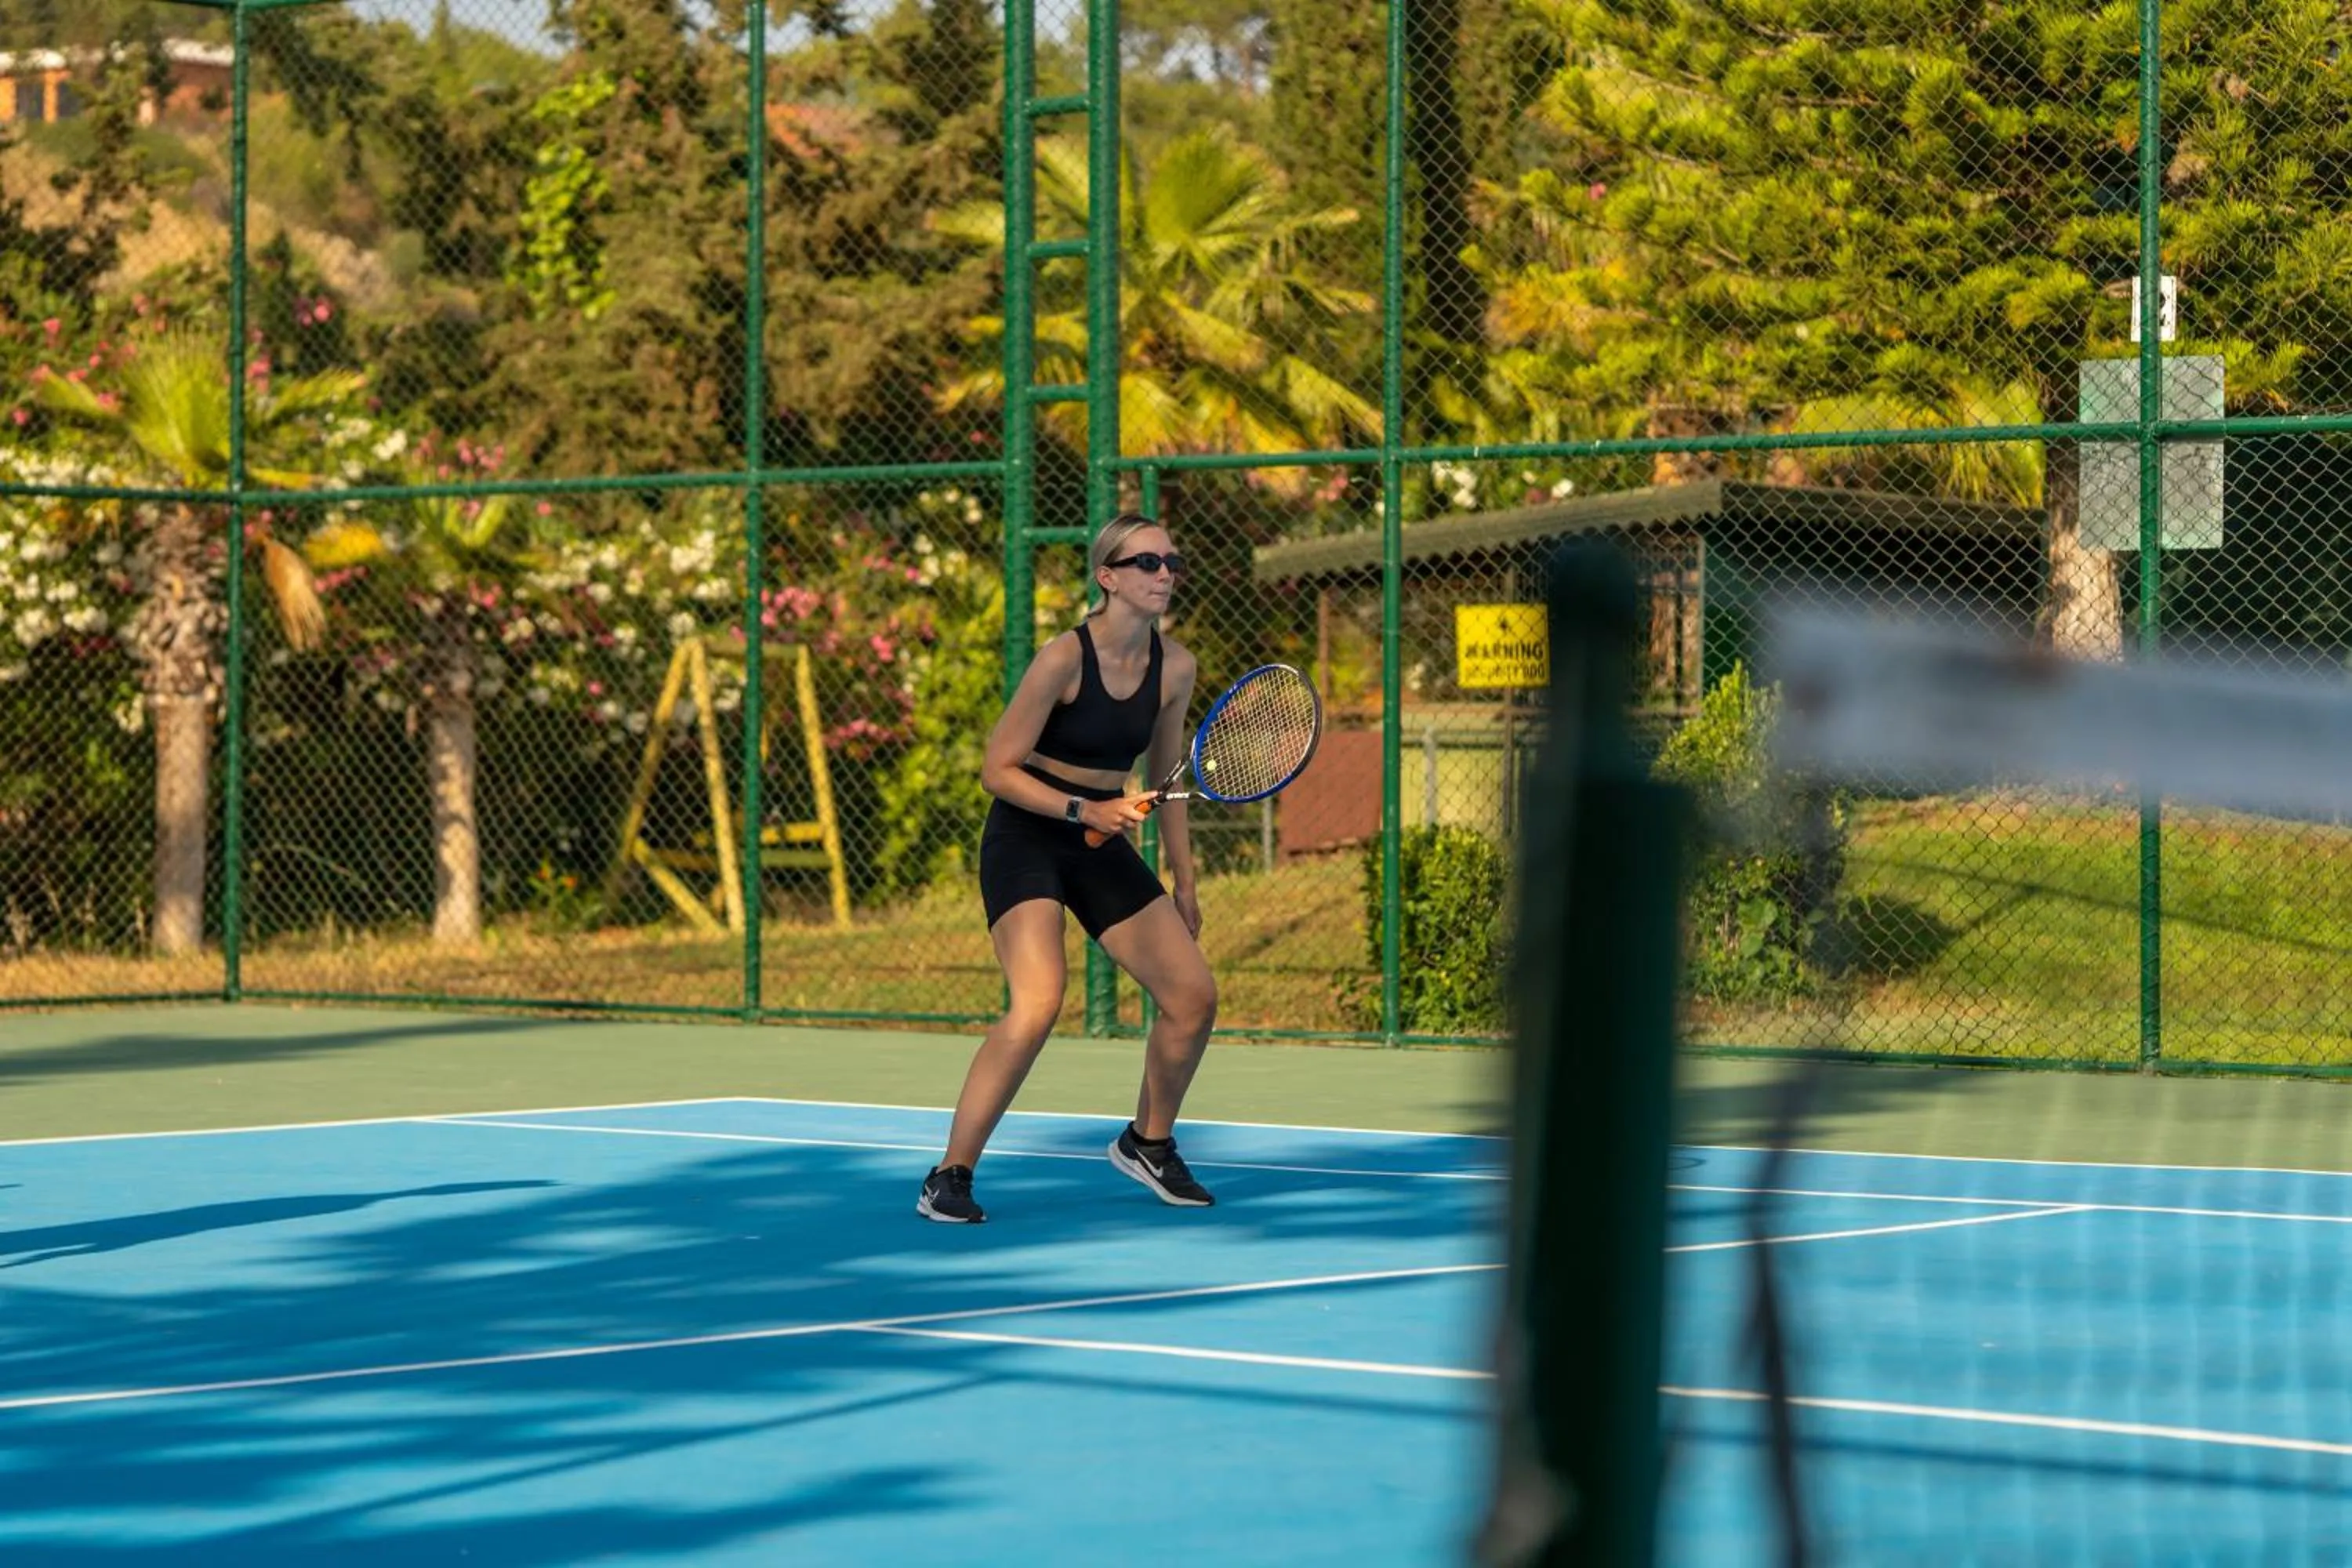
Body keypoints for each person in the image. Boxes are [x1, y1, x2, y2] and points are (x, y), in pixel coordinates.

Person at [918, 514, 1218, 1224]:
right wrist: (1086, 811)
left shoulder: (1176, 668)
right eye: (1146, 562)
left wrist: (1185, 882)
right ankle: (948, 1177)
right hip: (1028, 835)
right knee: (1040, 1000)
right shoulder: (1062, 658)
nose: (1164, 573)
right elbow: (997, 770)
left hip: (1100, 839)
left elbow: (1169, 781)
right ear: (1107, 577)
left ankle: (1148, 1143)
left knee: (1193, 996)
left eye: (1172, 561)